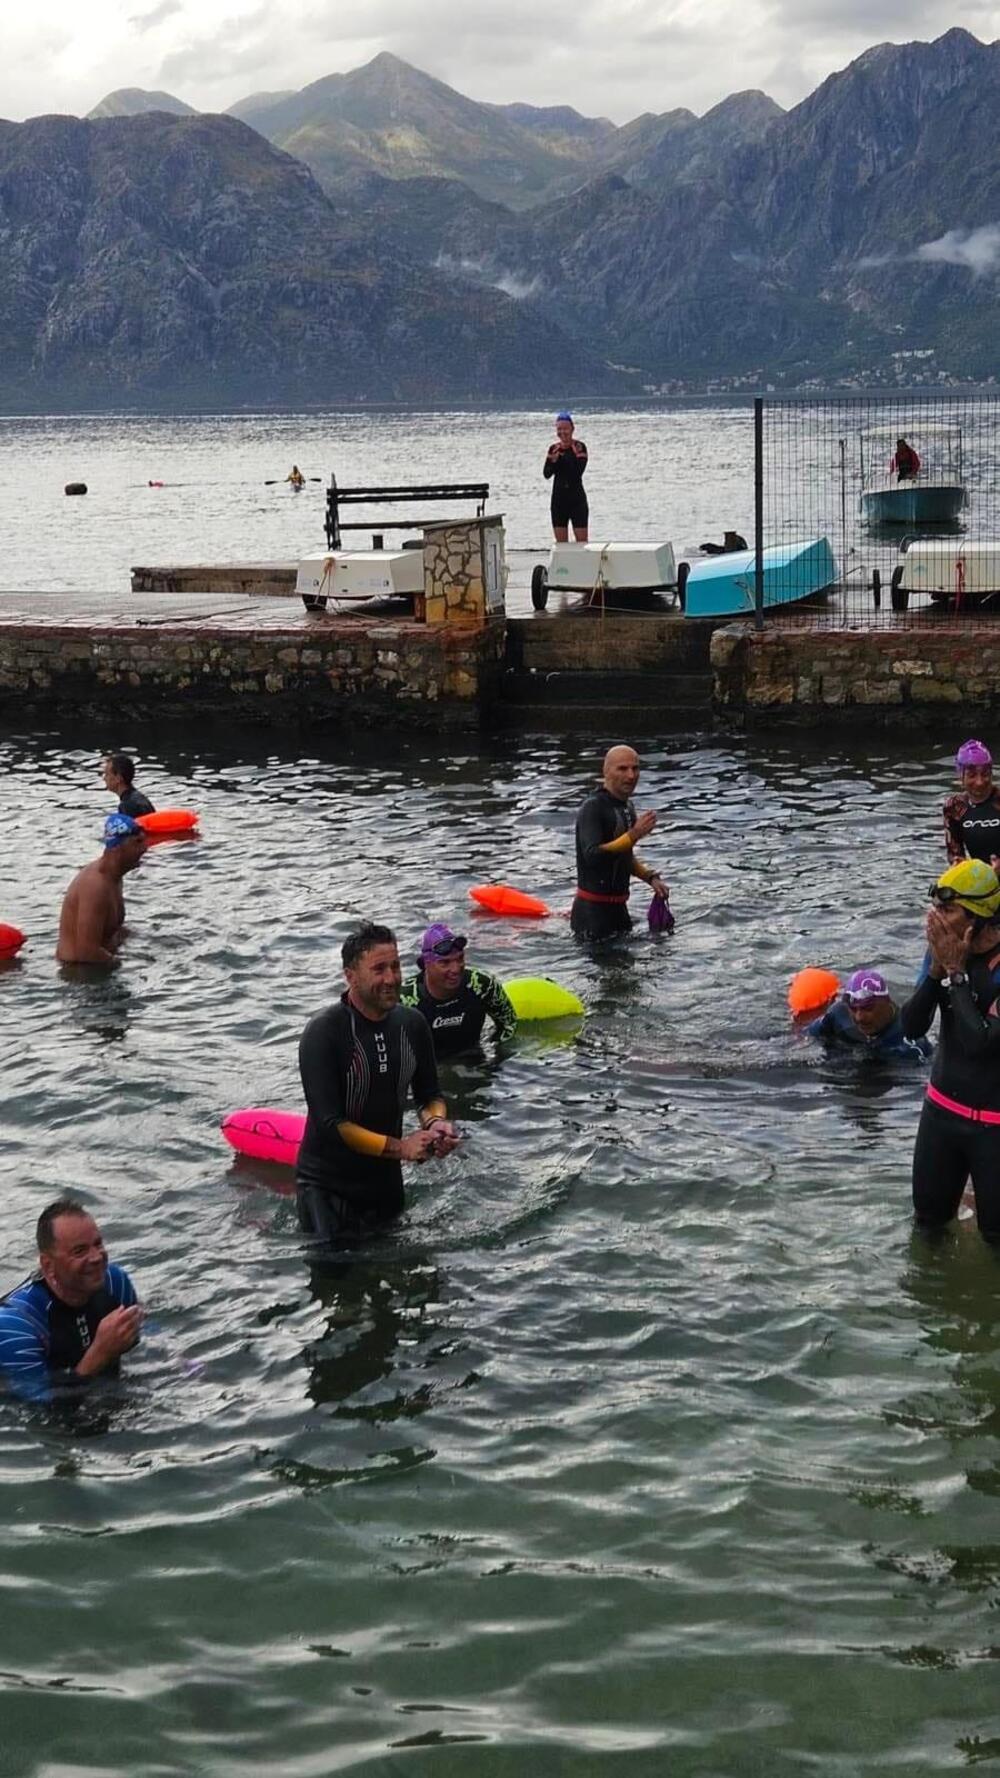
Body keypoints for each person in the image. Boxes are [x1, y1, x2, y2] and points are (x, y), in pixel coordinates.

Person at [297, 923, 460, 1241]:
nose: (391, 979)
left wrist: (436, 1123)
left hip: (385, 1184)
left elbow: (429, 1094)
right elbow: (332, 1124)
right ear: (351, 975)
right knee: (334, 1279)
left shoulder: (412, 1025)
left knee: (402, 1276)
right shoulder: (324, 1033)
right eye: (379, 969)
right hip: (327, 1189)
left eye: (396, 966)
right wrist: (402, 1147)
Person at [900, 861, 1000, 1238]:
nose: (935, 917)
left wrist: (957, 973)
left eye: (947, 909)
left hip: (994, 1128)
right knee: (927, 1225)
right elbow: (910, 1027)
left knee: (995, 1241)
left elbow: (980, 1042)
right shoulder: (942, 950)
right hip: (941, 1113)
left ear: (977, 916)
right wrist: (935, 973)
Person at [0, 1199, 141, 1403]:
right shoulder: (15, 1326)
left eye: (97, 1244)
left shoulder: (114, 1282)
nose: (96, 1258)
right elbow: (45, 1413)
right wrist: (99, 1354)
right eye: (80, 1251)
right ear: (48, 1265)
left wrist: (183, 1363)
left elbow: (147, 1335)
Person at [570, 744, 669, 939]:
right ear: (606, 771)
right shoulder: (593, 807)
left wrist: (650, 878)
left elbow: (623, 856)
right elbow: (593, 856)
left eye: (635, 768)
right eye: (622, 769)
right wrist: (634, 835)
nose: (631, 776)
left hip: (619, 910)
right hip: (592, 914)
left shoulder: (627, 807)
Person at [400, 923, 517, 1055]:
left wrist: (495, 1057)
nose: (456, 969)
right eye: (445, 963)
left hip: (474, 1062)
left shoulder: (480, 984)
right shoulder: (405, 1000)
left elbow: (509, 1023)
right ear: (427, 964)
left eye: (460, 959)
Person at [56, 813, 147, 965]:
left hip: (99, 967)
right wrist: (125, 965)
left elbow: (110, 931)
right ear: (118, 848)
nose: (145, 848)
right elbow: (86, 952)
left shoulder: (115, 877)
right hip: (79, 975)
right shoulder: (95, 886)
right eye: (138, 842)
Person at [808, 969, 931, 1059]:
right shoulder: (838, 1013)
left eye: (868, 1008)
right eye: (853, 1009)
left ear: (886, 1002)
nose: (859, 1017)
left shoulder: (910, 1041)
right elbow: (807, 1037)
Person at [943, 739, 1000, 865]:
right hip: (982, 878)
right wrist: (958, 863)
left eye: (985, 774)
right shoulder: (954, 807)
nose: (979, 782)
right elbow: (954, 853)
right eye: (972, 775)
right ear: (961, 776)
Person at [543, 411, 588, 542]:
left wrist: (561, 460)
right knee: (561, 545)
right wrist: (553, 461)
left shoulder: (579, 447)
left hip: (576, 500)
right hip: (558, 501)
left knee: (581, 543)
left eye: (565, 429)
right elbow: (546, 473)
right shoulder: (554, 449)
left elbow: (577, 472)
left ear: (572, 429)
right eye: (559, 429)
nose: (562, 432)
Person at [102, 752, 154, 818]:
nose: (104, 778)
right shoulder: (140, 797)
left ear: (118, 778)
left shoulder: (127, 805)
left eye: (107, 774)